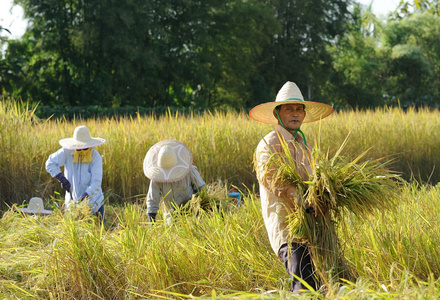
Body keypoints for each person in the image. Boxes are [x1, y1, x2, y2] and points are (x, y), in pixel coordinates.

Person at [249, 81, 333, 293]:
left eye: (298, 109)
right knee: (303, 283)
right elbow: (270, 177)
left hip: (311, 228)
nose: (295, 114)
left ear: (304, 115)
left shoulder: (306, 147)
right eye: (289, 109)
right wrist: (298, 197)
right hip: (286, 227)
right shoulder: (269, 144)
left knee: (317, 284)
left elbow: (317, 180)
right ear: (278, 114)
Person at [46, 125, 106, 223]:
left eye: (85, 148)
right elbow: (50, 163)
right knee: (71, 235)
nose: (82, 150)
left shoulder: (95, 157)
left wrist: (86, 195)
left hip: (94, 203)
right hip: (72, 204)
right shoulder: (66, 152)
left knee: (99, 234)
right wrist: (61, 178)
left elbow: (96, 182)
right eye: (79, 148)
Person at [143, 139, 206, 224]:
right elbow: (152, 201)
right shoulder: (157, 179)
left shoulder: (190, 171)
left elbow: (202, 190)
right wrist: (152, 224)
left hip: (193, 218)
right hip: (171, 219)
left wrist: (196, 205)